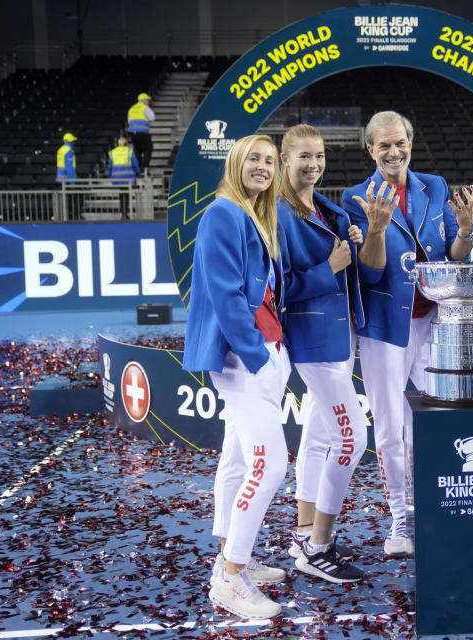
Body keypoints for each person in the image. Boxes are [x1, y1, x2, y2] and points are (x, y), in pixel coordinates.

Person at [342, 110, 473, 557]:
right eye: (383, 145)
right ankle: (400, 521)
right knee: (389, 427)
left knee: (437, 419)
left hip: (433, 321)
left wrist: (464, 231)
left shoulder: (434, 187)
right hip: (385, 326)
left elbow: (454, 256)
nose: (393, 151)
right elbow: (369, 269)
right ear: (370, 150)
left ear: (410, 143)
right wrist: (377, 230)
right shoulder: (354, 198)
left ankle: (435, 508)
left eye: (399, 142)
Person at [182, 134, 288, 619]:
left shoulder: (250, 213)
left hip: (261, 354)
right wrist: (257, 358)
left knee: (237, 463)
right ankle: (230, 575)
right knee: (270, 467)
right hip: (247, 360)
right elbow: (226, 296)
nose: (263, 167)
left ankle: (231, 557)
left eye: (269, 161)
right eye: (255, 159)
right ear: (236, 162)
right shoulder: (224, 212)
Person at [276, 124, 367, 583]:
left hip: (339, 336)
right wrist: (329, 267)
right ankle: (319, 546)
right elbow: (282, 288)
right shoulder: (278, 214)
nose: (313, 164)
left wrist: (350, 236)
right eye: (304, 157)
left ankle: (303, 532)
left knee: (316, 439)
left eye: (320, 155)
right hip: (314, 342)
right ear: (284, 159)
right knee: (353, 441)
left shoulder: (323, 207)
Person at [107, 136, 140, 217]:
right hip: (128, 177)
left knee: (121, 194)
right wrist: (138, 173)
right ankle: (125, 213)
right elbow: (135, 164)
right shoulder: (129, 152)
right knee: (126, 194)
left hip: (117, 177)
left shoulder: (113, 152)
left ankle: (123, 212)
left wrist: (109, 174)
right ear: (126, 144)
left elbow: (109, 166)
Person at [127, 92, 155, 170]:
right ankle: (144, 167)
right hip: (143, 132)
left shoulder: (131, 108)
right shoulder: (145, 107)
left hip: (132, 132)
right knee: (148, 149)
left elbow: (129, 121)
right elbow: (152, 117)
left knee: (137, 150)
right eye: (147, 100)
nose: (148, 101)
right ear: (142, 100)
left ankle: (138, 167)